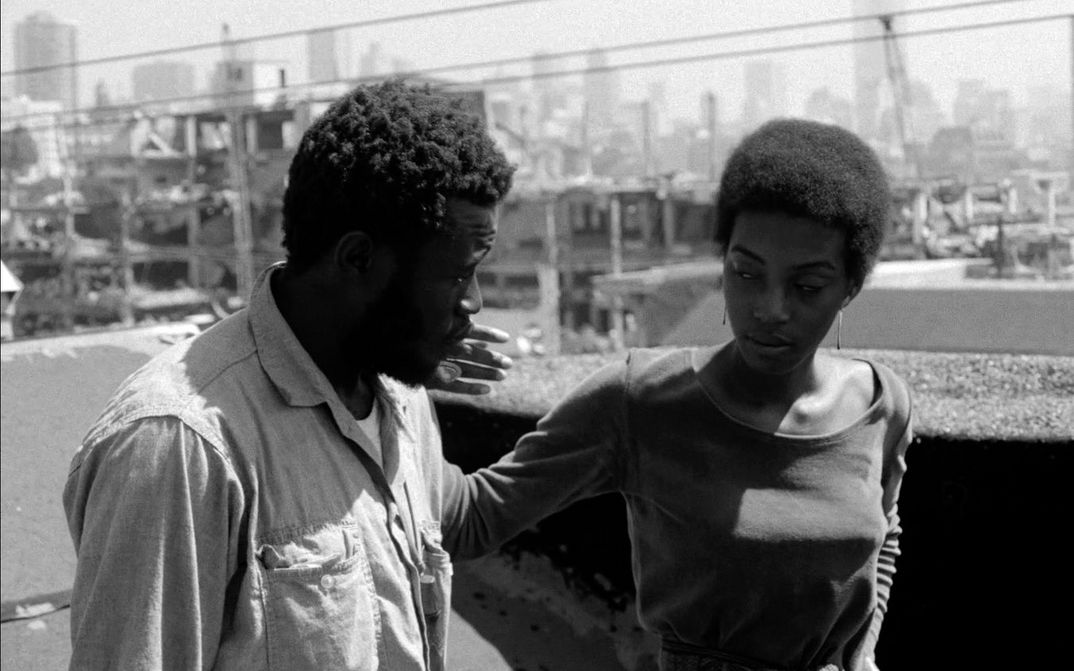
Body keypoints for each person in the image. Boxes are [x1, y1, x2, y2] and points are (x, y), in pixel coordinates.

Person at [63, 80, 515, 670]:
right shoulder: (181, 445)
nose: (474, 302)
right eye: (456, 275)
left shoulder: (397, 392)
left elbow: (455, 516)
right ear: (357, 259)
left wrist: (603, 424)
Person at [439, 119, 913, 671]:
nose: (770, 309)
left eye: (807, 287)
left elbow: (885, 532)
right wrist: (397, 381)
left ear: (850, 287)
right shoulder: (641, 399)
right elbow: (471, 519)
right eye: (746, 274)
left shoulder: (882, 403)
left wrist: (863, 654)